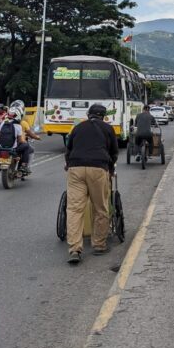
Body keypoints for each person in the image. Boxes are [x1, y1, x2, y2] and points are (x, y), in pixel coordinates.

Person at [64, 103, 119, 264]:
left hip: (76, 168)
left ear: (88, 115)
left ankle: (74, 249)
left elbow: (69, 149)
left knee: (74, 209)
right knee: (100, 208)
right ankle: (99, 245)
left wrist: (69, 165)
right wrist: (109, 170)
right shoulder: (108, 129)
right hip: (98, 168)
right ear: (104, 116)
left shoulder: (78, 128)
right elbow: (113, 152)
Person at [12, 105, 41, 174]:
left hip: (5, 147)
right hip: (16, 146)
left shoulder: (4, 123)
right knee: (28, 148)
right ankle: (24, 166)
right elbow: (21, 139)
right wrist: (37, 137)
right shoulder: (21, 124)